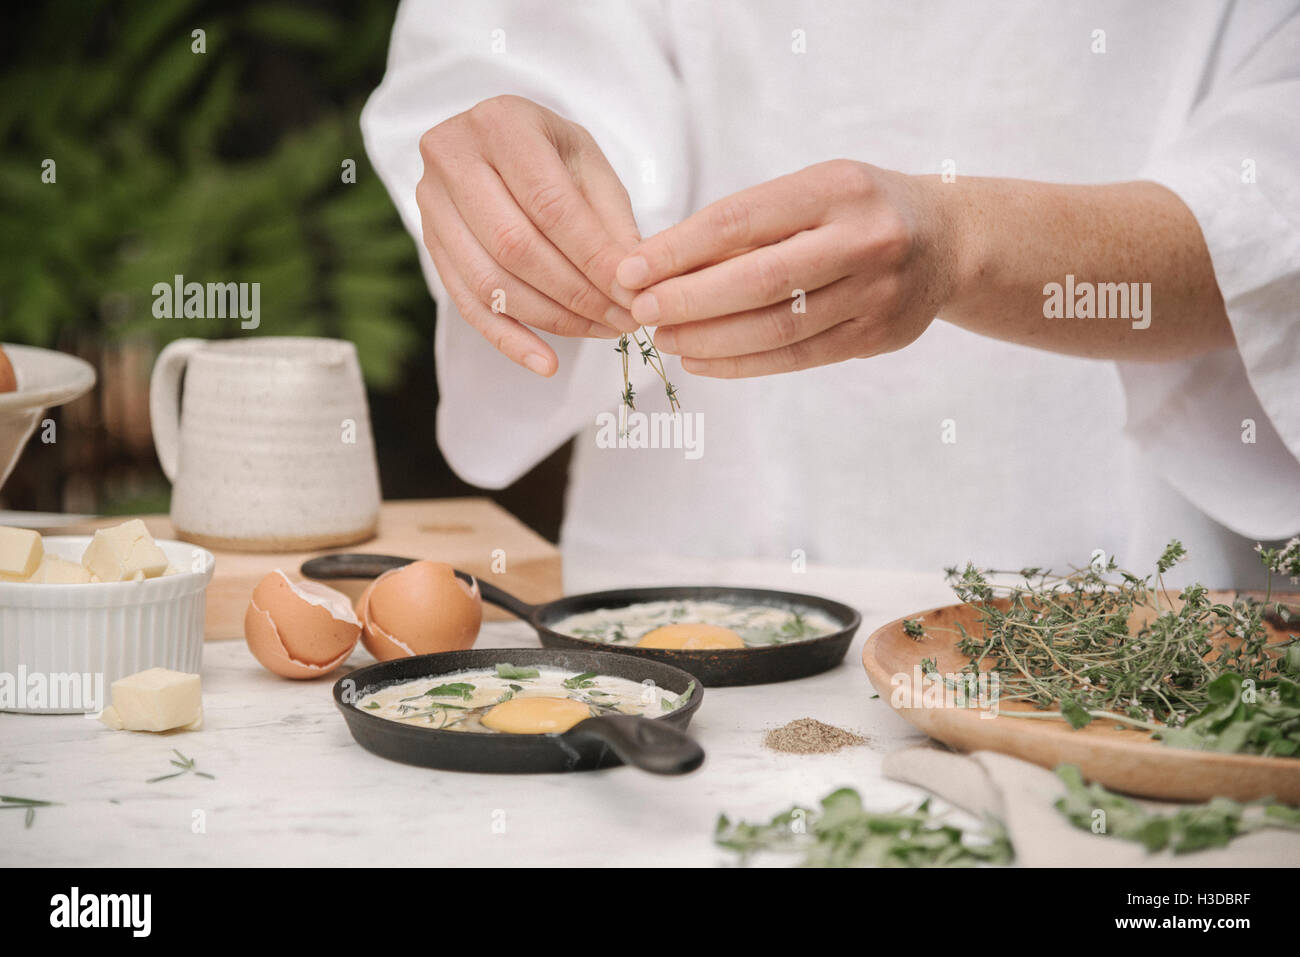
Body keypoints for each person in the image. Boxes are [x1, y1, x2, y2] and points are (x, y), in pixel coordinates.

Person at [362, 0, 1300, 585]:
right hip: (689, 550)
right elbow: (511, 41)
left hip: (1138, 591)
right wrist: (518, 161)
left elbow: (1272, 191)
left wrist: (966, 243)